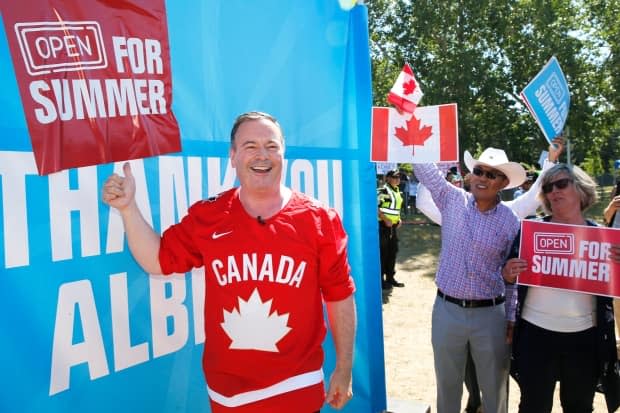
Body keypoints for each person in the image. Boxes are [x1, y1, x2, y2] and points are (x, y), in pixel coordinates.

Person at [101, 111, 357, 413]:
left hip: (296, 385)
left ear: (283, 154)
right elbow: (158, 260)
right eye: (250, 146)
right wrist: (129, 209)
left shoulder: (319, 220)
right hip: (229, 393)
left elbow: (339, 295)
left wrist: (343, 368)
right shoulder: (209, 216)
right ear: (233, 156)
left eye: (271, 146)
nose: (262, 155)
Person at [415, 139, 564, 413]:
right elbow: (425, 171)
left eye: (491, 174)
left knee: (495, 390)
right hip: (446, 311)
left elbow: (512, 276)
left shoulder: (510, 218)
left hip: (490, 316)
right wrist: (413, 129)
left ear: (503, 182)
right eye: (479, 171)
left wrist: (509, 317)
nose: (482, 178)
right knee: (447, 387)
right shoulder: (451, 200)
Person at [503, 163, 620, 413]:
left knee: (579, 407)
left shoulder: (603, 239)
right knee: (533, 406)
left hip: (585, 340)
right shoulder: (530, 231)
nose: (553, 191)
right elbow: (507, 278)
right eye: (547, 187)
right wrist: (508, 273)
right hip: (535, 337)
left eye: (561, 184)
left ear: (580, 189)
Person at [378, 169, 405, 289]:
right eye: (394, 177)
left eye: (398, 177)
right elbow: (375, 207)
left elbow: (395, 209)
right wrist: (385, 219)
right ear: (388, 178)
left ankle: (390, 277)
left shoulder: (397, 191)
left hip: (392, 227)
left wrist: (398, 219)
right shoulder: (383, 190)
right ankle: (380, 280)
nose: (397, 179)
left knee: (392, 252)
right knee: (383, 253)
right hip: (383, 227)